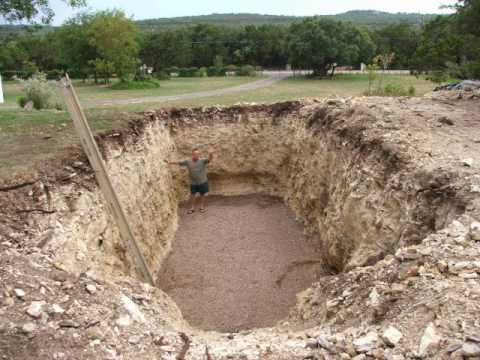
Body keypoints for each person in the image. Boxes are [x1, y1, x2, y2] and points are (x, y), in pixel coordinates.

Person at [168, 145, 214, 214]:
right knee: (193, 195)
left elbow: (209, 159)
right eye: (195, 154)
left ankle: (202, 207)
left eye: (198, 154)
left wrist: (211, 153)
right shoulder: (188, 161)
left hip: (203, 181)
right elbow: (179, 162)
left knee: (203, 194)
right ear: (192, 154)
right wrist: (170, 162)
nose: (196, 155)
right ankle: (192, 208)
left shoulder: (202, 161)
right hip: (193, 183)